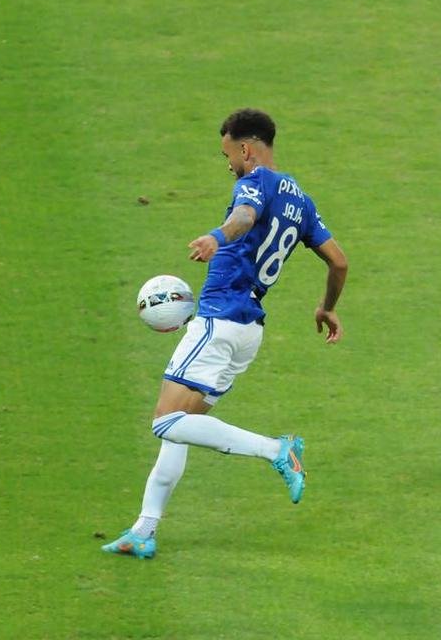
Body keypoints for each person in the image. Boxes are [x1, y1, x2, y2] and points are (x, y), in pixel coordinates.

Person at [103, 108, 348, 559]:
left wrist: (218, 236)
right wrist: (326, 308)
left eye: (228, 155)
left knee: (165, 421)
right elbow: (339, 261)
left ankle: (277, 449)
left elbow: (244, 215)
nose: (229, 164)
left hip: (219, 320)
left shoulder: (255, 181)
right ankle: (145, 529)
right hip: (248, 331)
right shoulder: (304, 202)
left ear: (246, 148)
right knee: (182, 430)